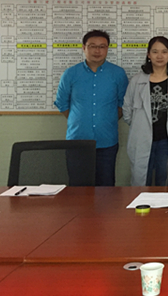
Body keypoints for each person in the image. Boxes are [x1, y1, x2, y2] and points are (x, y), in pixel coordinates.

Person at [54, 29, 129, 186]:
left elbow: (123, 104)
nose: (97, 50)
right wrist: (80, 120)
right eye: (92, 46)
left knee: (106, 189)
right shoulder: (70, 73)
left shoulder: (118, 74)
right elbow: (62, 103)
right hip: (77, 141)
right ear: (84, 48)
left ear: (107, 48)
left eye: (102, 46)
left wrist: (106, 120)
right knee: (78, 189)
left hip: (107, 141)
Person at [123, 36, 168, 186]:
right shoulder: (137, 80)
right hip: (141, 138)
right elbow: (127, 110)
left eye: (164, 52)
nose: (160, 56)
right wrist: (141, 126)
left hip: (166, 140)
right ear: (148, 55)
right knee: (141, 181)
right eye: (155, 52)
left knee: (164, 180)